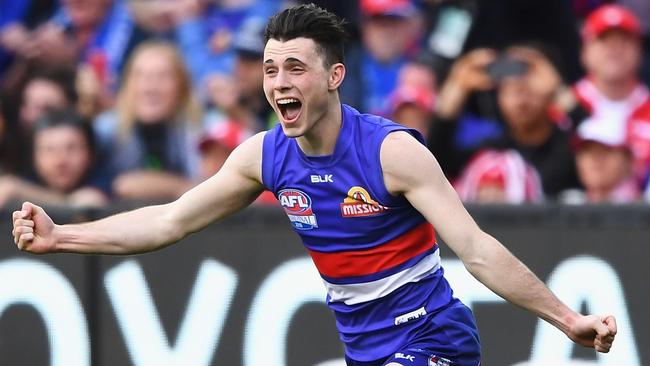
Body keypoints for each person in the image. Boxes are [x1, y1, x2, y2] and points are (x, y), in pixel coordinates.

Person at [11, 5, 616, 366]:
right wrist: (63, 235)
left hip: (434, 338)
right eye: (271, 68)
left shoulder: (391, 152)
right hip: (367, 352)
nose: (278, 82)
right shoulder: (264, 157)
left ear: (335, 77)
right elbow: (169, 220)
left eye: (295, 67)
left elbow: (477, 250)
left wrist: (567, 320)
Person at [92, 41, 202, 200]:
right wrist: (181, 186)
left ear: (183, 86)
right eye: (141, 76)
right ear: (127, 85)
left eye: (163, 77)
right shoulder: (104, 130)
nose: (150, 88)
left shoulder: (204, 129)